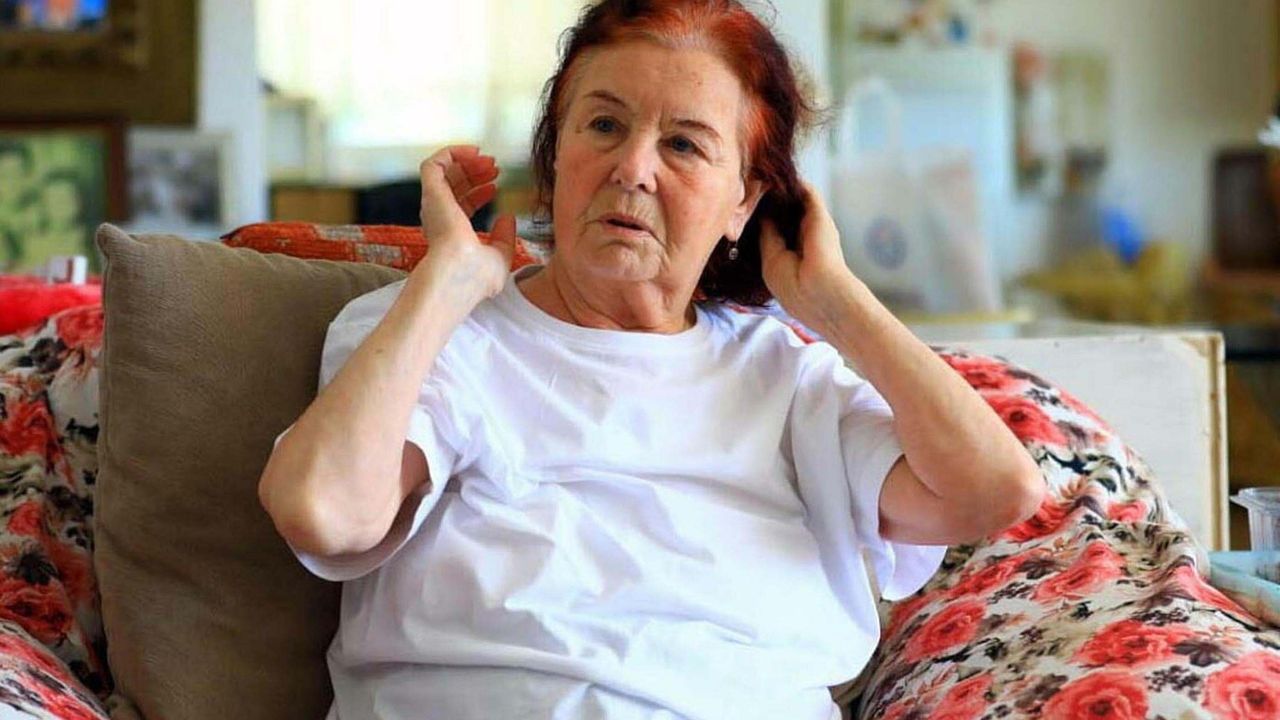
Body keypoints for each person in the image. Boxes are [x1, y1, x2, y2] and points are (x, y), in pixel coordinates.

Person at [258, 1, 1044, 718]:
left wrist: (835, 303)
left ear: (744, 202)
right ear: (555, 157)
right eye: (603, 125)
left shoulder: (789, 378)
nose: (632, 167)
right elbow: (324, 512)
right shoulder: (434, 332)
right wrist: (446, 283)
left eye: (683, 144)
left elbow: (995, 490)